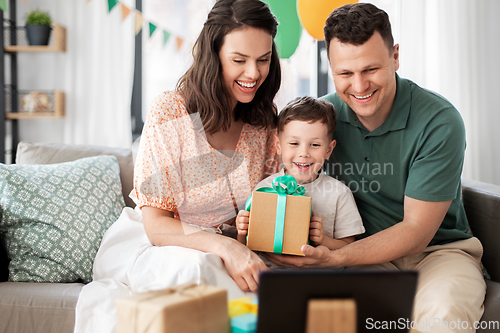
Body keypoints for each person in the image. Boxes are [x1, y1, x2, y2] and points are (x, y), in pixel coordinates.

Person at [265, 3, 486, 332]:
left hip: (437, 254)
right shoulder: (322, 121)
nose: (359, 86)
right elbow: (285, 177)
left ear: (395, 56)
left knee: (443, 315)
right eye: (345, 74)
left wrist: (336, 257)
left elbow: (416, 231)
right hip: (362, 257)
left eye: (370, 69)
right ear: (331, 67)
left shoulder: (440, 121)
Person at [75, 1, 281, 332]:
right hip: (152, 242)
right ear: (213, 56)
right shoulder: (171, 111)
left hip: (224, 248)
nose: (254, 73)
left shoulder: (264, 125)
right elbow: (156, 226)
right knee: (200, 268)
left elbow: (269, 208)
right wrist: (224, 245)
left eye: (264, 59)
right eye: (239, 60)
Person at [235, 96, 365, 261]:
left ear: (329, 150)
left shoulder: (339, 194)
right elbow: (248, 247)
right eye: (294, 144)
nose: (304, 153)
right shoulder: (264, 188)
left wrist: (323, 240)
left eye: (315, 145)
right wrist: (242, 231)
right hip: (269, 272)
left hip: (315, 276)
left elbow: (350, 247)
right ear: (278, 145)